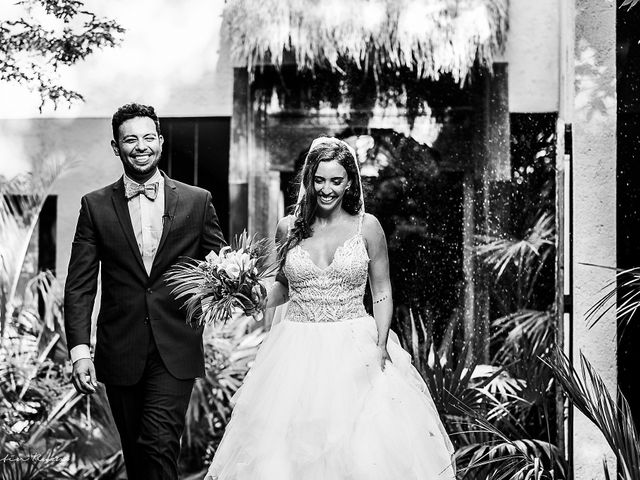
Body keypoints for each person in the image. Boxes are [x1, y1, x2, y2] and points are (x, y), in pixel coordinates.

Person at [206, 136, 455, 479]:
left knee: (362, 450)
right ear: (309, 180)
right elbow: (282, 285)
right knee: (288, 453)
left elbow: (381, 290)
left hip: (354, 345)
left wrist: (381, 345)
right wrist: (252, 294)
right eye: (319, 180)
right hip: (295, 351)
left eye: (336, 181)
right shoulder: (288, 228)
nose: (327, 189)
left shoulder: (367, 227)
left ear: (350, 181)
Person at [64, 103, 226, 480]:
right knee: (138, 457)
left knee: (158, 444)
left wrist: (239, 288)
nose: (141, 146)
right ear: (115, 146)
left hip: (176, 346)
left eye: (148, 137)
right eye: (130, 139)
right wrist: (78, 353)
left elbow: (220, 264)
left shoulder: (197, 201)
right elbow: (80, 286)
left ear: (161, 141)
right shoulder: (94, 206)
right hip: (120, 350)